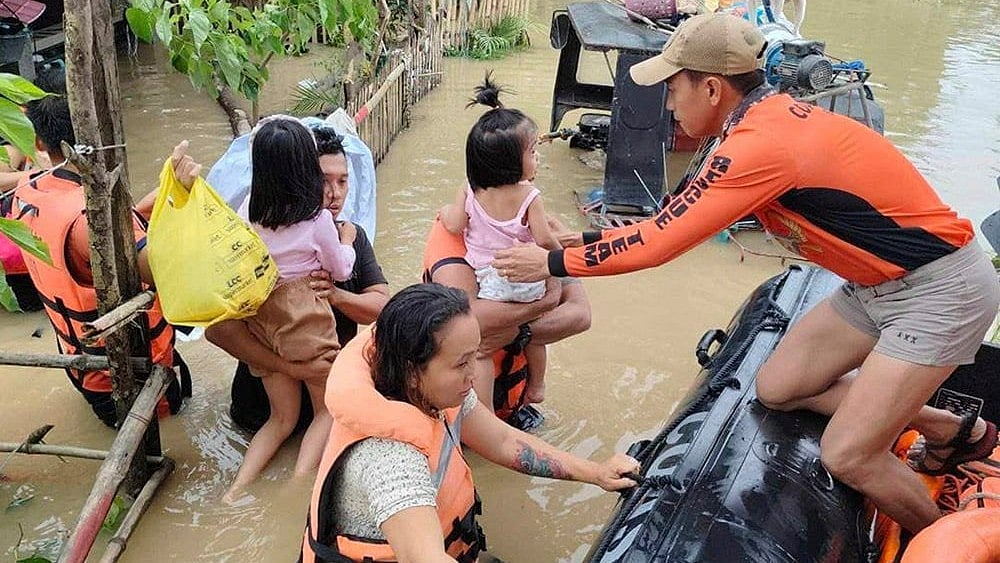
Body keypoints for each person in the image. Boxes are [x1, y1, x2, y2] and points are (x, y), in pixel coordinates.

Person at [492, 12, 1000, 533]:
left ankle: (947, 538)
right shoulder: (756, 123)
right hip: (876, 286)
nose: (667, 103)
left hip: (938, 289)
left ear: (712, 88)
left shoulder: (760, 146)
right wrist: (584, 241)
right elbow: (670, 220)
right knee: (778, 387)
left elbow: (660, 246)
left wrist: (550, 262)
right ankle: (949, 429)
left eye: (673, 88)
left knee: (847, 454)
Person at [301, 283, 638, 562]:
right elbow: (424, 558)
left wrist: (596, 472)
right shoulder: (391, 460)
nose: (474, 374)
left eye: (475, 356)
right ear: (412, 372)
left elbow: (504, 442)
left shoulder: (434, 395)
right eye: (461, 364)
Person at [9, 92, 192, 427]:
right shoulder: (93, 215)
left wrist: (170, 189)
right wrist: (187, 210)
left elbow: (111, 241)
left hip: (80, 360)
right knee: (170, 433)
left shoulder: (27, 192)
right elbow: (165, 273)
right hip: (128, 373)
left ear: (38, 142)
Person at [208, 125, 389, 434]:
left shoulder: (350, 236)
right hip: (261, 409)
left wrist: (336, 296)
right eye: (323, 180)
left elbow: (383, 309)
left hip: (318, 407)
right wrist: (290, 368)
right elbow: (217, 330)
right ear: (298, 176)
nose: (334, 193)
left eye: (343, 181)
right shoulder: (255, 245)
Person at [220, 116, 357, 499]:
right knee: (327, 411)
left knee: (281, 419)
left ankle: (235, 490)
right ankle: (297, 486)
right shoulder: (317, 221)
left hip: (261, 320)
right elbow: (341, 270)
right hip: (303, 321)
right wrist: (347, 240)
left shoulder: (247, 212)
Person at [439, 74, 562, 406]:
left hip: (490, 281)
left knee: (482, 347)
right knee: (534, 336)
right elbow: (544, 238)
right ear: (511, 163)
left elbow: (454, 224)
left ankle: (485, 410)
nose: (537, 158)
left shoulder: (470, 189)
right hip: (526, 279)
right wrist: (562, 258)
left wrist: (443, 211)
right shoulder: (529, 195)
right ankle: (537, 386)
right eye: (533, 152)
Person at [423, 214, 591, 424]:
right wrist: (544, 303)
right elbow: (469, 319)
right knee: (480, 353)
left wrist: (518, 333)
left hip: (516, 404)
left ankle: (529, 392)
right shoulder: (453, 232)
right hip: (459, 413)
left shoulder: (539, 226)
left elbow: (580, 314)